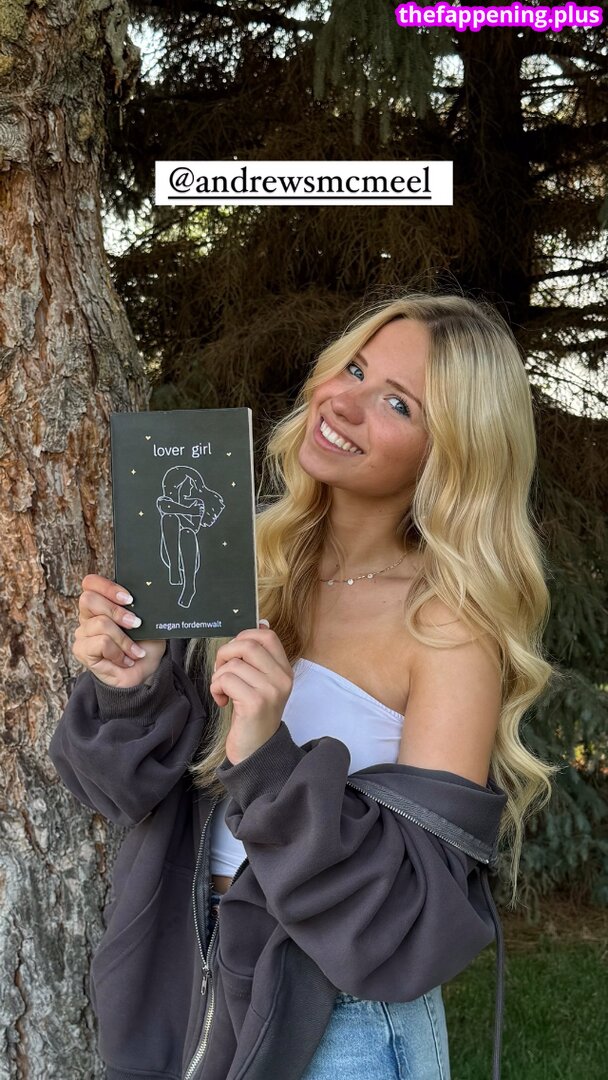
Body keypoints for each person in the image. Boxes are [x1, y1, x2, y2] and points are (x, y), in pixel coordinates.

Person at [49, 291, 559, 1080]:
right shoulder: (245, 557)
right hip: (185, 981)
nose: (345, 403)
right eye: (353, 369)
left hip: (338, 1017)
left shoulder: (449, 629)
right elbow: (118, 789)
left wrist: (265, 755)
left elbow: (412, 911)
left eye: (397, 403)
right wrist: (131, 685)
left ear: (452, 454)